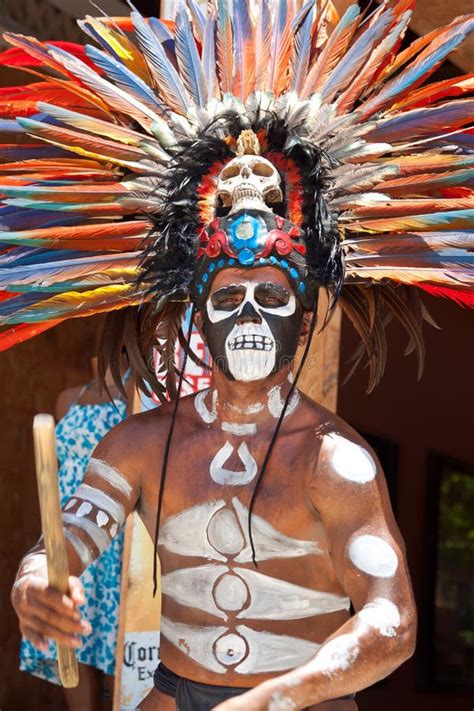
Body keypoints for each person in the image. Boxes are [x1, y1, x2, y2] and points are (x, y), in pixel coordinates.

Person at [3, 1, 473, 709]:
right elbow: (63, 540)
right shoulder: (141, 443)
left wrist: (276, 697)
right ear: (198, 311)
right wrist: (35, 585)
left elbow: (393, 619)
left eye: (271, 296)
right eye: (228, 298)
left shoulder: (333, 459)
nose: (249, 315)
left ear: (305, 314)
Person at [18, 359, 131, 710]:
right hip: (66, 524)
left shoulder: (137, 396)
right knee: (69, 634)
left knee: (114, 640)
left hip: (112, 533)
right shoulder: (69, 399)